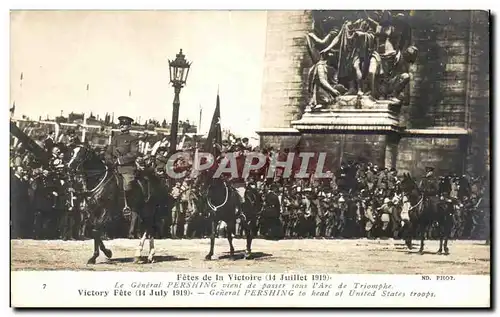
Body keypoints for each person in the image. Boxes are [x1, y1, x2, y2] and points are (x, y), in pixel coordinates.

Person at [104, 116, 139, 234]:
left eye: (124, 124)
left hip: (126, 168)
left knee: (127, 185)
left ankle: (127, 206)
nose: (121, 126)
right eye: (120, 124)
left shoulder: (133, 139)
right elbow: (108, 152)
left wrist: (120, 161)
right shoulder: (115, 138)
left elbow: (134, 153)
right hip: (113, 168)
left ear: (129, 126)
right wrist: (109, 160)